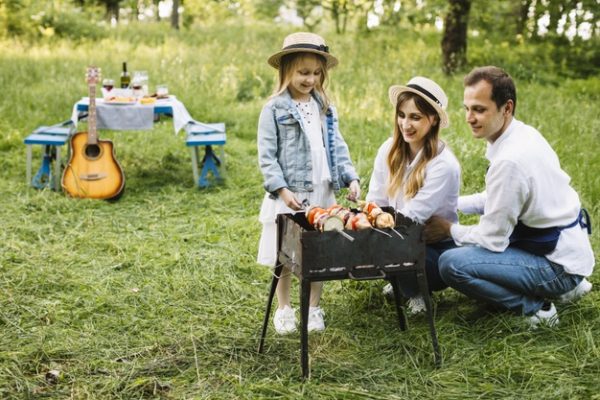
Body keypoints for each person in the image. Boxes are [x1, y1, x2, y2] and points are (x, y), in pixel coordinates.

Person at [426, 66, 594, 327]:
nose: (469, 118)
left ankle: (537, 310)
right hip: (568, 251)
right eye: (466, 108)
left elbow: (492, 239)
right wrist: (448, 204)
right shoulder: (522, 134)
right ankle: (567, 288)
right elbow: (497, 198)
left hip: (558, 264)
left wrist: (449, 228)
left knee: (451, 263)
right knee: (464, 246)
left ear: (507, 108)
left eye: (479, 110)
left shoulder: (510, 161)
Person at [256, 32, 361, 335]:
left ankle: (314, 308)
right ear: (286, 70)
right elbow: (267, 156)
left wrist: (350, 177)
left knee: (319, 253)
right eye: (303, 72)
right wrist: (281, 189)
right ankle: (285, 308)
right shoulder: (274, 109)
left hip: (321, 190)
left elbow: (337, 148)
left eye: (316, 73)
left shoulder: (324, 107)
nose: (310, 79)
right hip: (290, 192)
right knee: (286, 255)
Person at [366, 76, 460, 314]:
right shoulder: (388, 150)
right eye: (402, 115)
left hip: (432, 246)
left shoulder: (443, 165)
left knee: (392, 246)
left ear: (433, 119)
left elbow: (412, 218)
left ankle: (417, 289)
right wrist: (370, 216)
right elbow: (375, 199)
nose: (405, 124)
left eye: (415, 117)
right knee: (367, 241)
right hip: (395, 233)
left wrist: (379, 228)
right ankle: (400, 280)